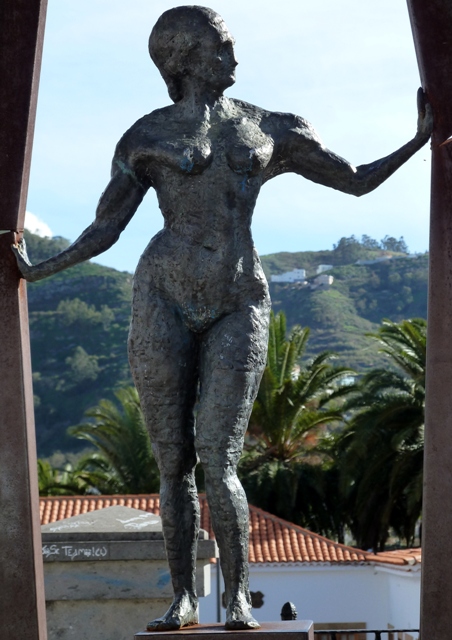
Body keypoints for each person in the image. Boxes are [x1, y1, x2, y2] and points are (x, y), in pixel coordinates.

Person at [13, 5, 433, 632]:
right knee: (173, 462)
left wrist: (418, 139)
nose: (234, 56)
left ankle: (236, 599)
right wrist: (37, 269)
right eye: (222, 45)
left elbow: (354, 181)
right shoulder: (145, 137)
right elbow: (105, 227)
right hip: (162, 293)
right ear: (182, 57)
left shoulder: (270, 127)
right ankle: (181, 597)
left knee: (220, 455)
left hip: (239, 298)